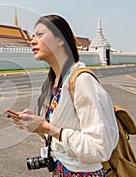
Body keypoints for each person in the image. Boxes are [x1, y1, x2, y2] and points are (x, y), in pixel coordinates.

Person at [9, 15, 119, 176]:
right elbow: (59, 139)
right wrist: (37, 126)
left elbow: (100, 148)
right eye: (32, 36)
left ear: (60, 40)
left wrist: (47, 127)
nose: (32, 41)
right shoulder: (56, 83)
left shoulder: (82, 81)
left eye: (39, 35)